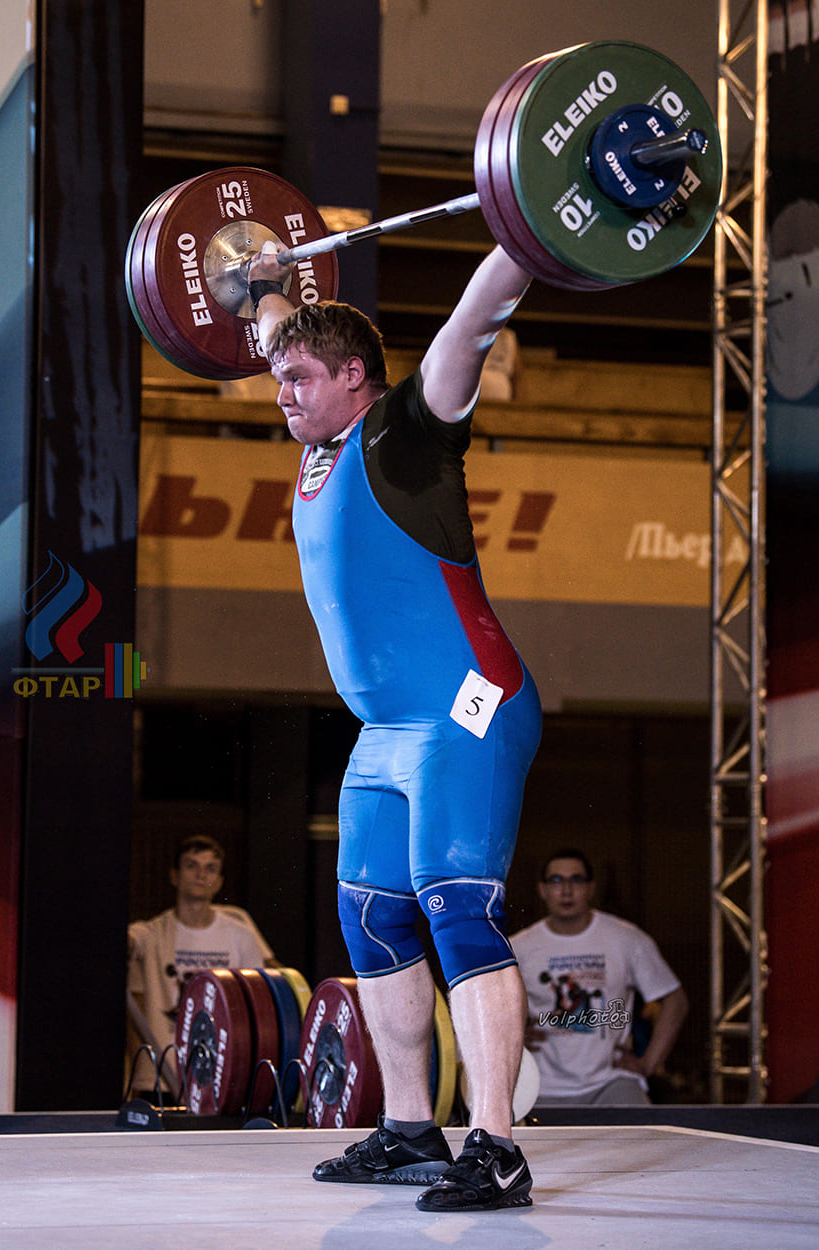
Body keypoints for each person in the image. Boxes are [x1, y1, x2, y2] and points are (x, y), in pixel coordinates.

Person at [245, 240, 542, 1212]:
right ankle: (412, 1128)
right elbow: (271, 321)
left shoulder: (407, 432)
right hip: (385, 731)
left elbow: (476, 319)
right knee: (371, 916)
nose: (281, 391)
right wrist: (260, 281)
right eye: (280, 376)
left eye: (298, 378)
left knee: (457, 906)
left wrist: (524, 228)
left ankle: (496, 1145)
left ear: (353, 376)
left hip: (467, 703)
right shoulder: (318, 444)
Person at [510, 849, 689, 1106]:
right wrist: (515, 1036)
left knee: (641, 1127)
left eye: (576, 880)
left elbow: (676, 1001)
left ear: (590, 888)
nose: (566, 890)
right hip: (542, 1086)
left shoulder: (626, 938)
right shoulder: (519, 947)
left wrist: (648, 1063)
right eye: (556, 880)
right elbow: (490, 1007)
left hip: (611, 1082)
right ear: (542, 889)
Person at [126, 834, 278, 1101]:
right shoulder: (151, 934)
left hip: (222, 1076)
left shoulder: (240, 934)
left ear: (219, 882)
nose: (200, 874)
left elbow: (258, 1003)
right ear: (174, 875)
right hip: (163, 1078)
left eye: (210, 868)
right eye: (191, 865)